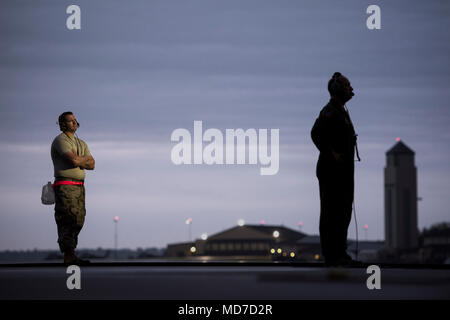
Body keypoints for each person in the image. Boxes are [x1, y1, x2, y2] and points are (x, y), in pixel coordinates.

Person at [311, 72, 361, 267]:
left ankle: (340, 252)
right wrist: (331, 153)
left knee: (343, 211)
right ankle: (332, 254)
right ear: (339, 90)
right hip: (332, 172)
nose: (352, 90)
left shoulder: (341, 111)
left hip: (344, 173)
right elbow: (315, 133)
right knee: (332, 212)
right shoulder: (329, 112)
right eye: (348, 86)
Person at [51, 111, 95, 265]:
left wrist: (79, 160)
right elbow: (74, 161)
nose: (75, 123)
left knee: (78, 219)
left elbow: (92, 164)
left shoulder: (81, 143)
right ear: (63, 124)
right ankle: (68, 254)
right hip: (66, 186)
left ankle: (71, 253)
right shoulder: (60, 141)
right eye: (71, 121)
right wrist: (81, 160)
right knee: (67, 218)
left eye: (75, 120)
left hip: (79, 187)